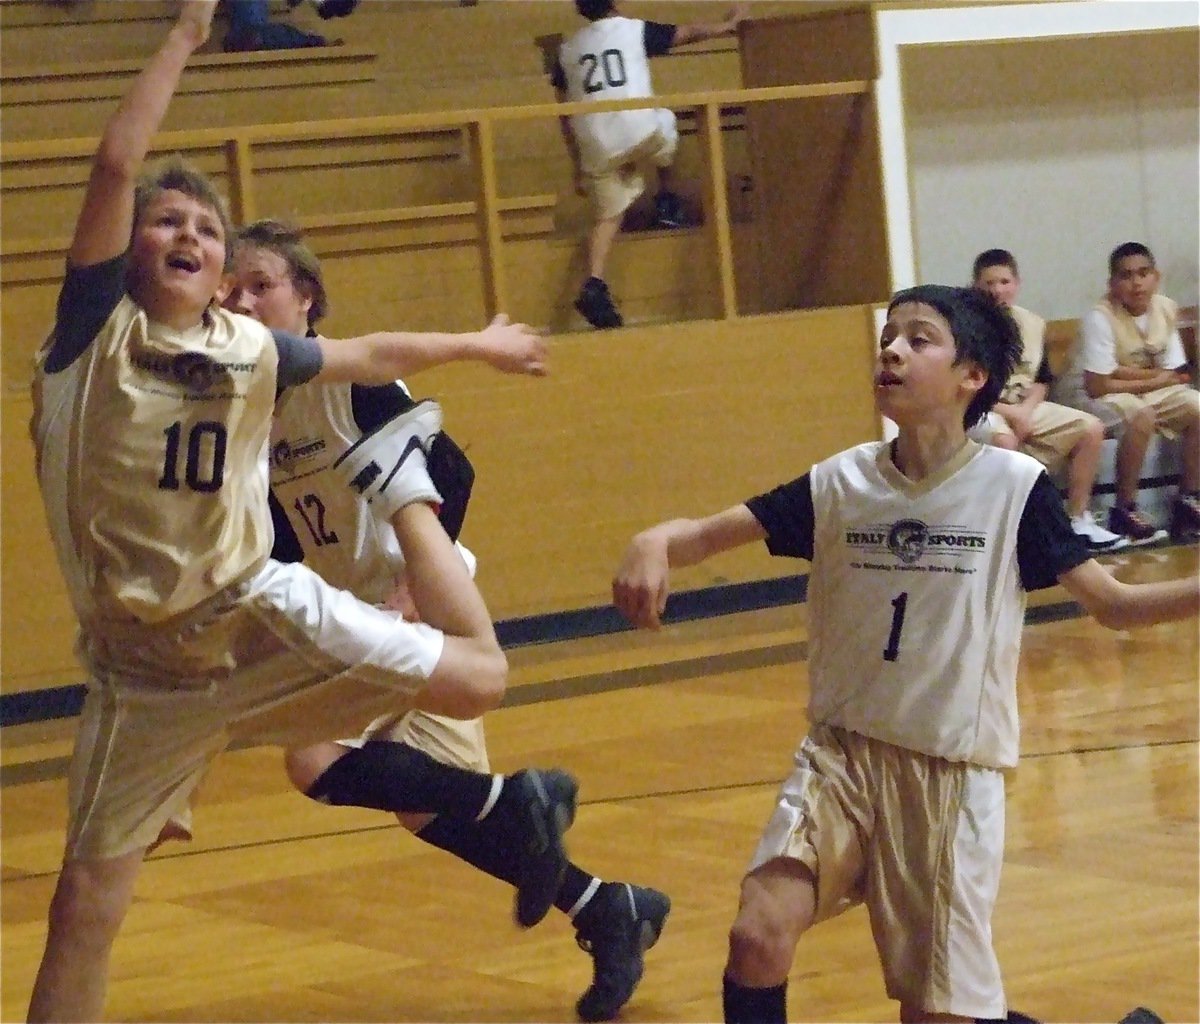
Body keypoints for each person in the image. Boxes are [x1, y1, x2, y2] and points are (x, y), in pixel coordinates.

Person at [26, 5, 575, 1020]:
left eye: (207, 227)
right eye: (168, 220)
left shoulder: (250, 349)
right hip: (137, 673)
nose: (188, 232)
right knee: (83, 904)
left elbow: (368, 356)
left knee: (481, 678)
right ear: (129, 251)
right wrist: (187, 36)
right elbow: (113, 164)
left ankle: (514, 792)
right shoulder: (92, 335)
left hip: (253, 612)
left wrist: (475, 342)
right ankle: (508, 809)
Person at [612, 284, 1200, 1023]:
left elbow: (1115, 606)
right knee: (756, 934)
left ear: (972, 376)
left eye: (919, 339)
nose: (891, 349)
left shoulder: (1013, 490)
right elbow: (697, 536)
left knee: (936, 1015)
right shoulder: (840, 483)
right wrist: (652, 541)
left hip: (946, 776)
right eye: (889, 336)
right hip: (841, 756)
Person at [221, 217, 671, 1023]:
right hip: (352, 614)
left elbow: (448, 474)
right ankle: (608, 906)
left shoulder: (350, 381)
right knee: (431, 809)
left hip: (412, 604)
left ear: (307, 298)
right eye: (235, 289)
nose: (244, 300)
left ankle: (537, 819)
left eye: (263, 285)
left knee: (315, 761)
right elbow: (292, 535)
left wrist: (417, 595)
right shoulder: (260, 405)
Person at [549, 0, 749, 330]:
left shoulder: (567, 49)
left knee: (609, 213)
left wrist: (577, 164)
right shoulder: (632, 29)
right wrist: (725, 26)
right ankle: (667, 202)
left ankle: (594, 282)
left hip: (594, 141)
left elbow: (563, 113)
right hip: (637, 128)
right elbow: (688, 32)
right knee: (665, 124)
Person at [969, 248, 1126, 552]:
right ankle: (1019, 531)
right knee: (1006, 444)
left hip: (1024, 404)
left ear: (1016, 283)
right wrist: (1012, 414)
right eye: (989, 283)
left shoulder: (1033, 323)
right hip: (982, 407)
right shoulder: (963, 327)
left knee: (1090, 429)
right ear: (976, 286)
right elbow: (963, 387)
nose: (997, 290)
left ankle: (1078, 520)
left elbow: (1042, 379)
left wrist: (1025, 410)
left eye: (1004, 281)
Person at [1054, 241, 1200, 544]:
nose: (1136, 283)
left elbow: (1177, 375)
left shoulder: (1166, 308)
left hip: (1136, 388)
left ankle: (1188, 499)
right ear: (1112, 284)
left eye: (1143, 273)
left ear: (1156, 277)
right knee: (1140, 416)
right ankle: (1124, 509)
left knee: (1195, 406)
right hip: (1086, 396)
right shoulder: (1099, 317)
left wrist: (1155, 380)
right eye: (1126, 276)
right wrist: (1156, 380)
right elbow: (1098, 384)